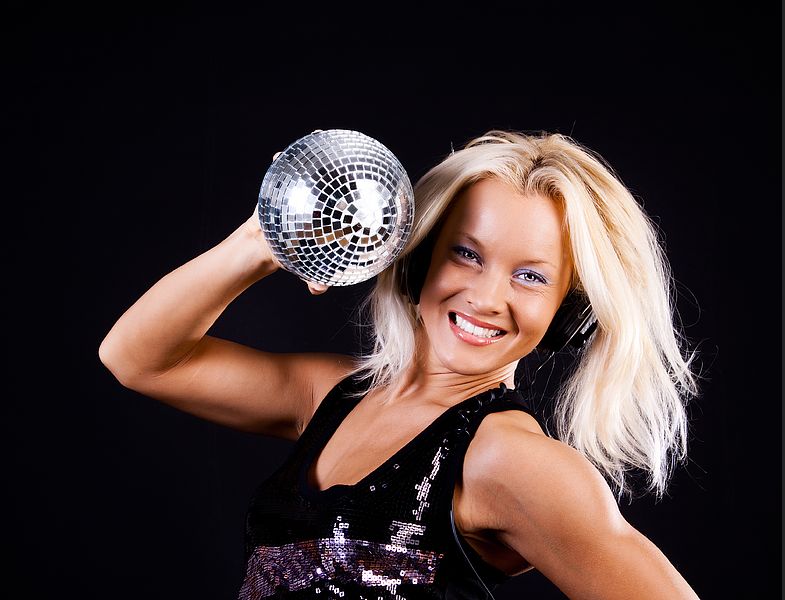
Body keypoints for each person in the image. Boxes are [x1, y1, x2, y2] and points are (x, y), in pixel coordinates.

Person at [99, 130, 701, 599]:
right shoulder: (334, 397)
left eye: (530, 277)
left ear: (570, 314)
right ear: (415, 262)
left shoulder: (510, 459)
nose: (487, 298)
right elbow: (138, 358)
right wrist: (260, 243)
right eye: (466, 255)